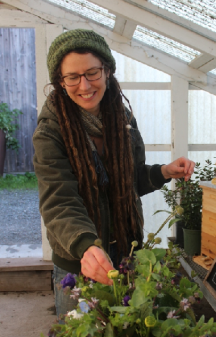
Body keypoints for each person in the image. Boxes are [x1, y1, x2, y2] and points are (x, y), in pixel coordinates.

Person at [33, 29, 194, 317]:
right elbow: (59, 201)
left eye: (92, 72)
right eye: (72, 76)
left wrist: (163, 172)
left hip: (125, 256)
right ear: (60, 81)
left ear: (107, 71)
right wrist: (85, 247)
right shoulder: (51, 130)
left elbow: (128, 180)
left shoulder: (122, 118)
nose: (84, 85)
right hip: (80, 263)